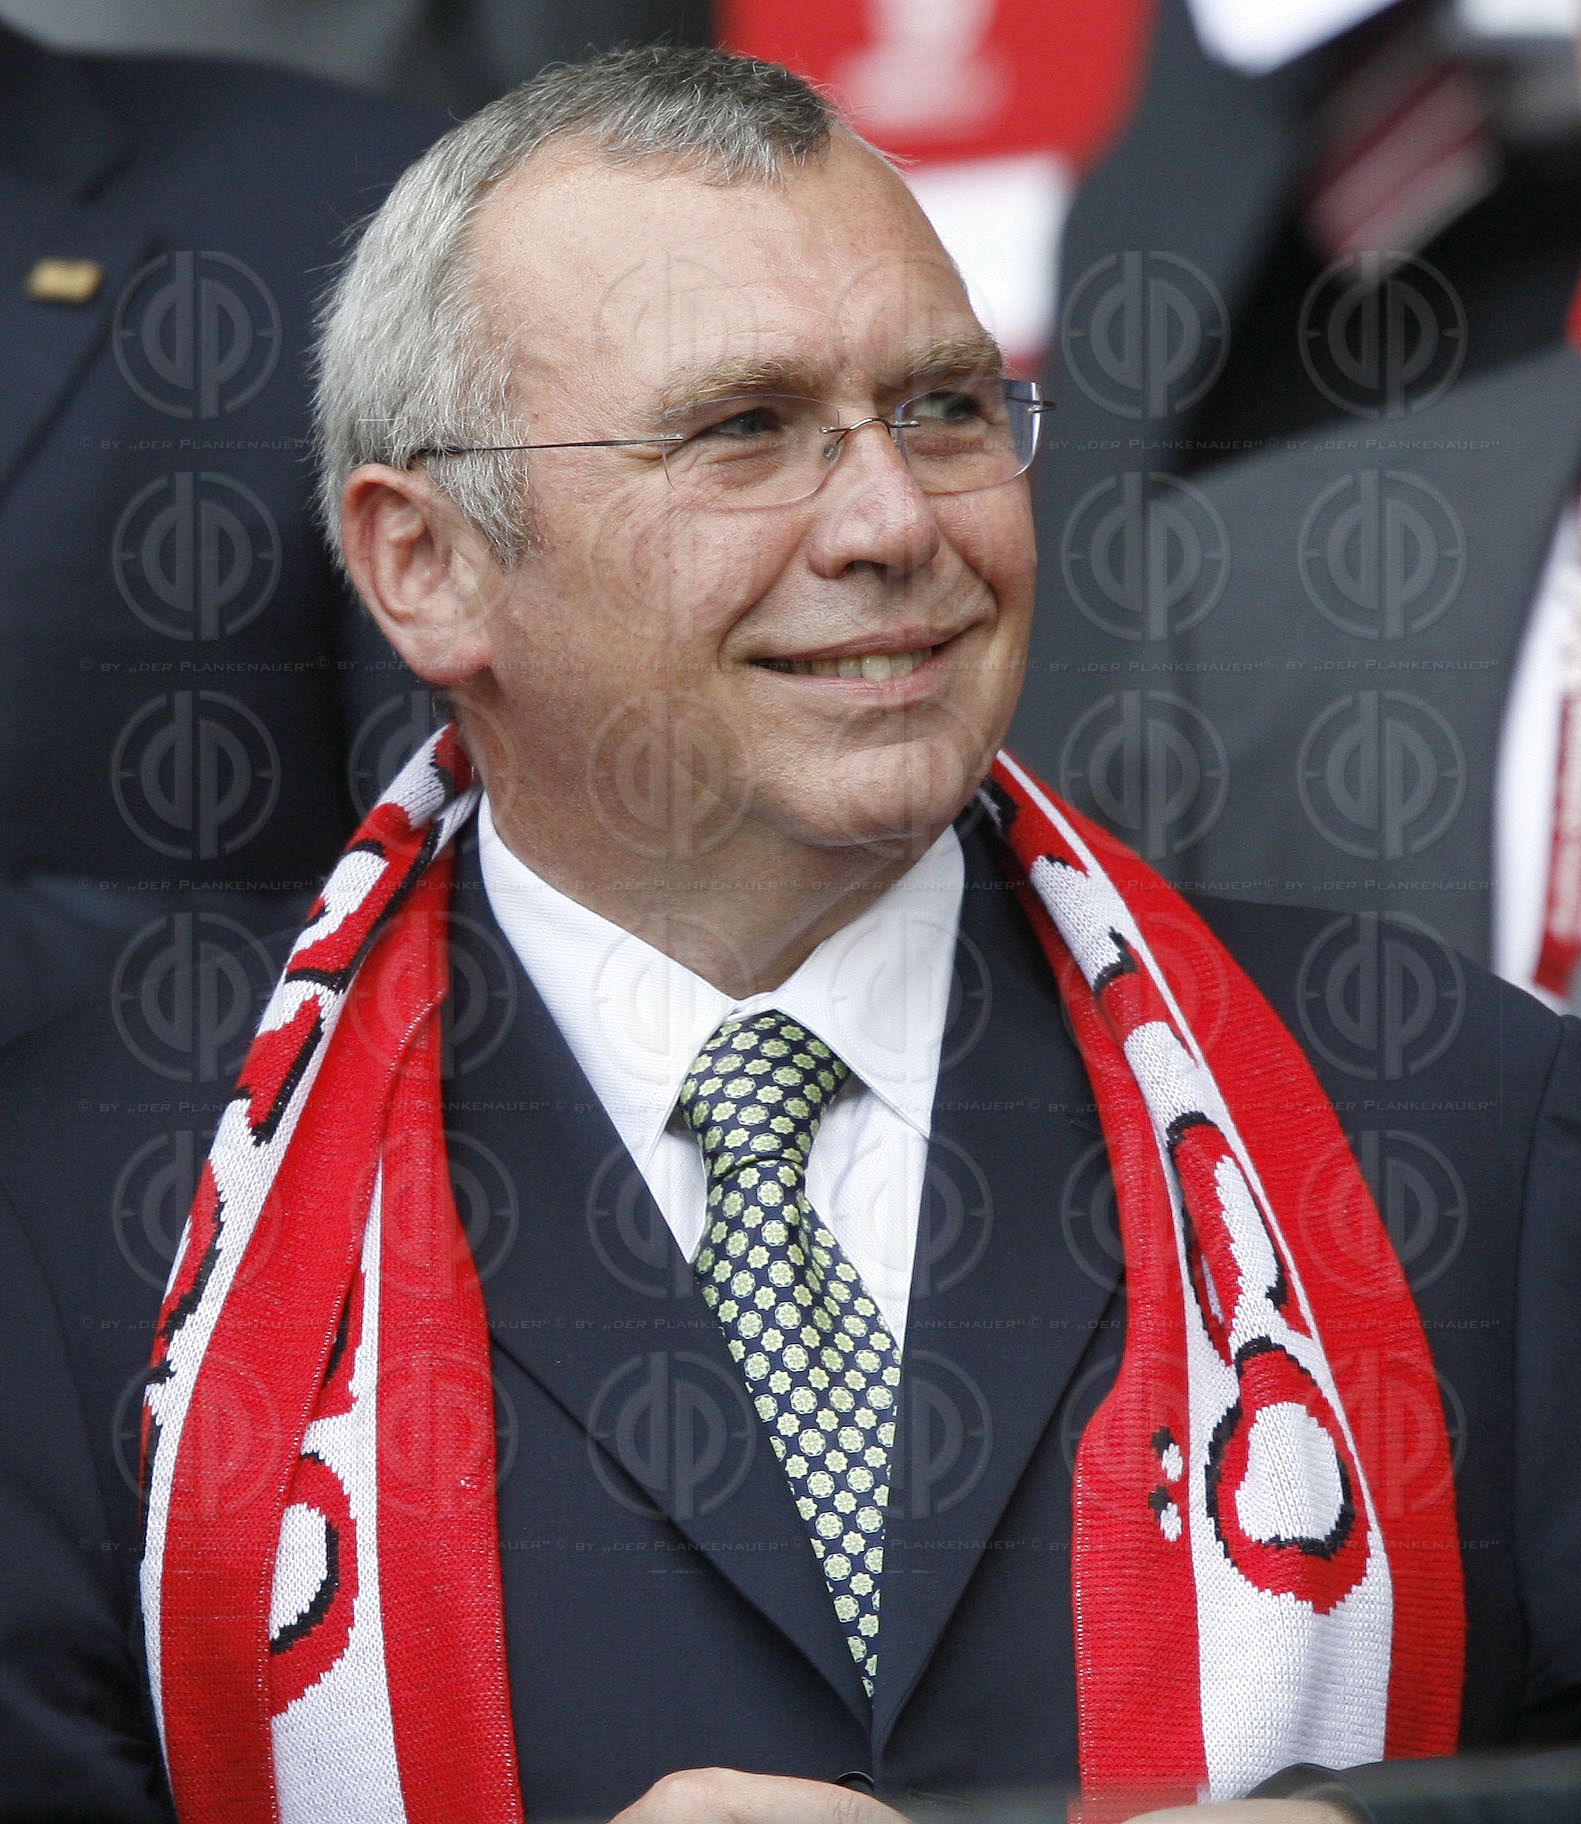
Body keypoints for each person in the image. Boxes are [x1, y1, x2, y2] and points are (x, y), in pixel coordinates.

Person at [0, 45, 1577, 1824]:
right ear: (423, 562)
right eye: (743, 431)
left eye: (948, 409)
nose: (896, 523)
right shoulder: (94, 1201)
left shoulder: (1449, 1109)